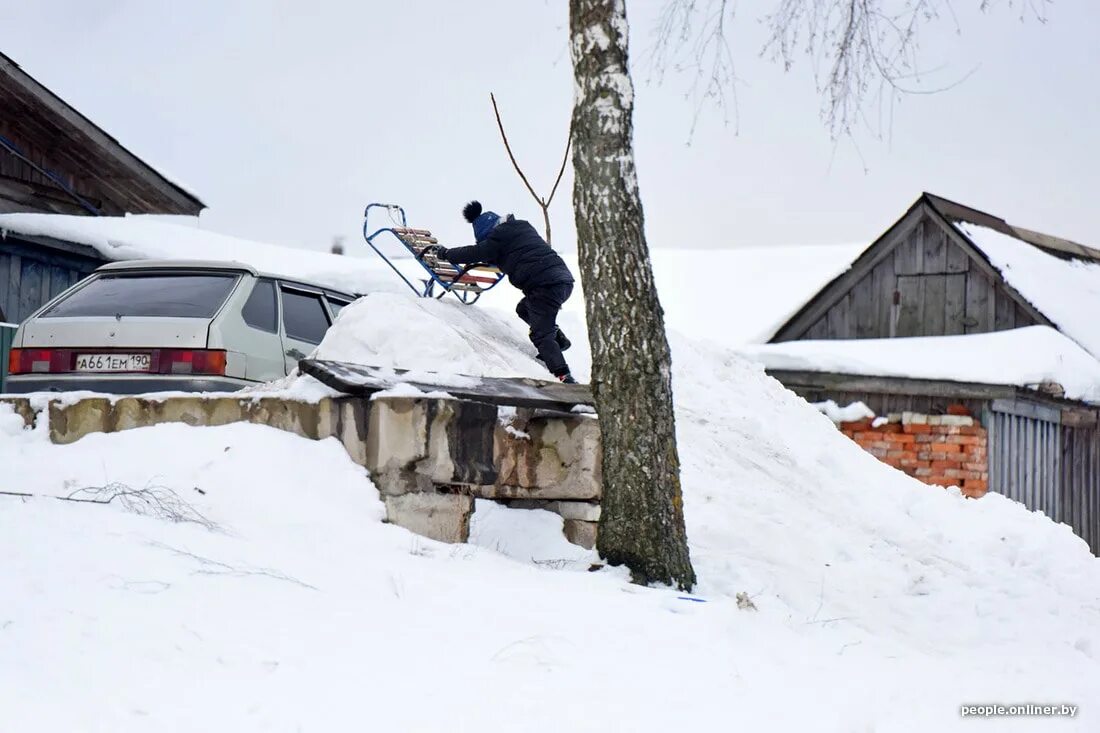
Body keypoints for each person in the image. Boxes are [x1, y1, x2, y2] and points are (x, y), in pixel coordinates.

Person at [423, 201, 577, 383]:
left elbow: (477, 252)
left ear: (487, 232)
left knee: (541, 333)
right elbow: (514, 252)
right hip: (563, 280)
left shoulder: (498, 237)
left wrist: (446, 253)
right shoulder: (522, 227)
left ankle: (564, 375)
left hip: (544, 285)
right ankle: (558, 340)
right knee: (524, 309)